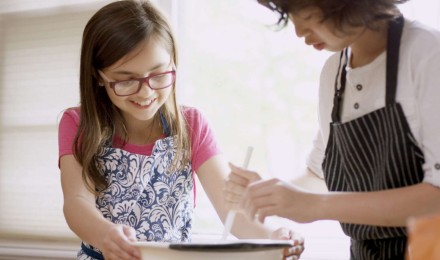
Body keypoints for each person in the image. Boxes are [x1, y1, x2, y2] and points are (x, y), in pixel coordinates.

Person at [58, 1, 304, 259]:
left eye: (158, 74)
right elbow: (77, 202)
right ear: (98, 76)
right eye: (126, 80)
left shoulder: (192, 125)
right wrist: (104, 234)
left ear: (173, 63)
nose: (146, 92)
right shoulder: (77, 123)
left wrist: (273, 235)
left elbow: (232, 210)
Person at [224, 0, 440, 259]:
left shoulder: (428, 55)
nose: (299, 31)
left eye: (304, 12)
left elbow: (435, 198)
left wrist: (315, 206)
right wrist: (270, 195)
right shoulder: (334, 73)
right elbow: (319, 176)